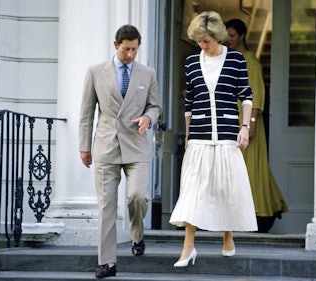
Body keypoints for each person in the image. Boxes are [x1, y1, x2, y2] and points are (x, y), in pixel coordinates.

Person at [169, 11, 258, 267]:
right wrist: (187, 135)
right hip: (199, 135)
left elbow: (247, 96)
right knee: (193, 192)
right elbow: (190, 102)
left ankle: (228, 236)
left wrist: (244, 127)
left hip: (229, 133)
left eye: (206, 40)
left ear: (217, 36)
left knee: (225, 188)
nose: (202, 45)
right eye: (199, 41)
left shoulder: (236, 60)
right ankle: (188, 248)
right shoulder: (191, 62)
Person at [79, 24, 160, 278]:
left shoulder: (148, 73)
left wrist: (149, 117)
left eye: (135, 49)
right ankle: (108, 262)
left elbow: (155, 106)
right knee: (107, 207)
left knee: (138, 196)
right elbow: (86, 113)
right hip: (106, 146)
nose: (130, 55)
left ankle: (137, 235)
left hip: (136, 145)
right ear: (116, 46)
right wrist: (84, 146)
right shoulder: (95, 72)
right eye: (126, 49)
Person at [225, 19, 288, 233]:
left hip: (247, 124)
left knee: (250, 170)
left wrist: (249, 123)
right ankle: (261, 210)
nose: (229, 40)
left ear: (242, 36)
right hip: (233, 123)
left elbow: (256, 94)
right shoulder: (231, 60)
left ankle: (260, 214)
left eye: (232, 35)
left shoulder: (250, 61)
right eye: (227, 36)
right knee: (242, 170)